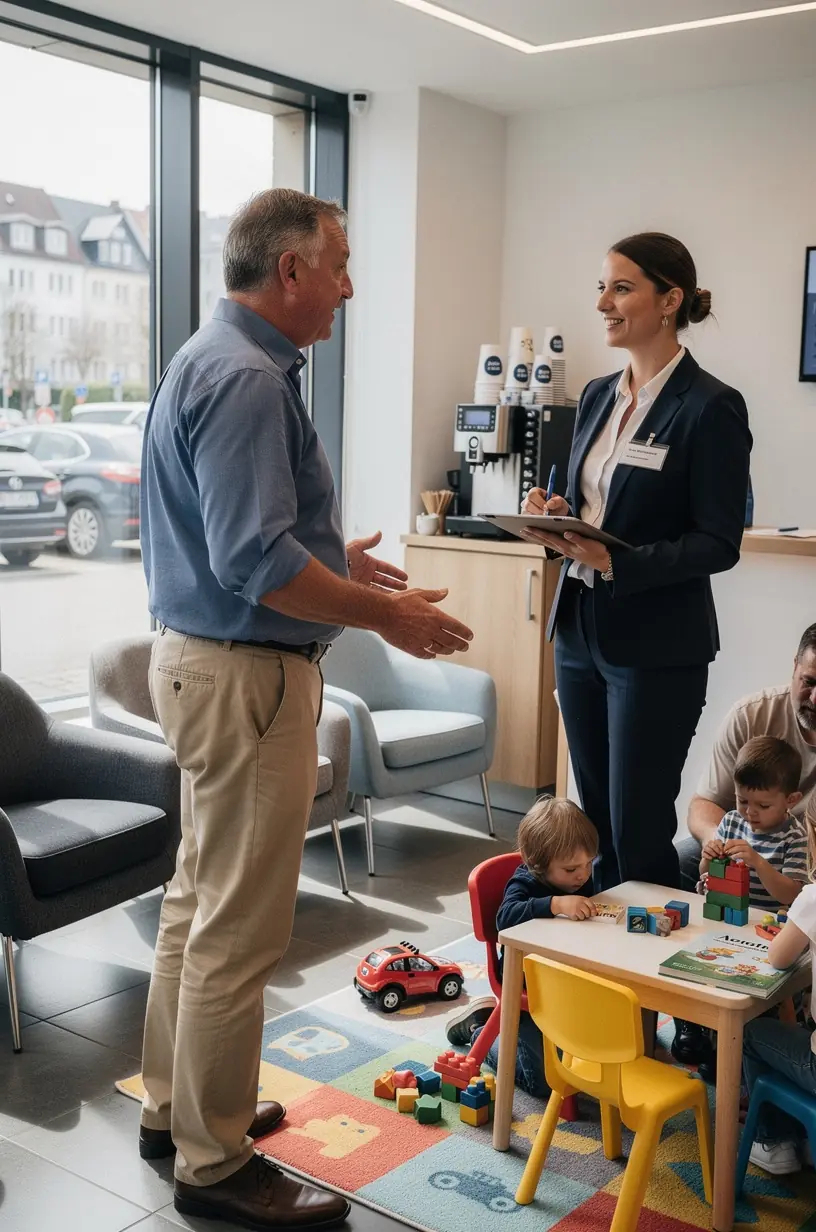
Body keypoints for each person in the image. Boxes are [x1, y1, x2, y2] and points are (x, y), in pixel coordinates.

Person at [138, 188, 473, 1230]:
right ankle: (215, 1162)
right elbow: (252, 560)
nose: (349, 284)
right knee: (238, 927)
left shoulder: (212, 358)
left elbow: (248, 536)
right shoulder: (244, 377)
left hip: (206, 662)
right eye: (337, 263)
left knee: (199, 904)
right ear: (288, 269)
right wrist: (382, 612)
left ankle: (179, 1107)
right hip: (244, 676)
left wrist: (338, 563)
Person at [521, 232, 751, 892]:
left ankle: (648, 988)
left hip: (655, 643)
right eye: (602, 286)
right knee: (590, 828)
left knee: (636, 826)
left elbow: (718, 541)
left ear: (670, 299)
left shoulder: (710, 407)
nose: (603, 303)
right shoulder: (597, 395)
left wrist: (620, 562)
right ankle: (598, 981)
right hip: (579, 627)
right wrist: (552, 511)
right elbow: (587, 503)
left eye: (621, 288)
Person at [444, 796, 598, 1097]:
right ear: (538, 864)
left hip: (568, 979)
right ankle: (479, 1029)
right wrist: (554, 904)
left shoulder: (579, 879)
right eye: (571, 869)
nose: (582, 875)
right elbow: (505, 917)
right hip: (527, 985)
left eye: (588, 864)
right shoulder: (526, 881)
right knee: (543, 1083)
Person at [678, 622, 816, 889]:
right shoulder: (752, 715)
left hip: (806, 855)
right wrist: (718, 845)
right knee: (677, 864)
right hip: (744, 840)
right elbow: (705, 803)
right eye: (809, 682)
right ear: (795, 666)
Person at [742, 797, 816, 1176]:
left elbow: (778, 958)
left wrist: (793, 925)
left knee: (751, 1030)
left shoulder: (813, 898)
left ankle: (774, 1142)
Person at [699, 736, 807, 909]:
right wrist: (708, 857)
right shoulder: (730, 822)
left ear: (791, 800)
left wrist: (758, 862)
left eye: (763, 805)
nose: (749, 812)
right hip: (726, 910)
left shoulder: (795, 837)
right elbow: (706, 872)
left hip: (768, 921)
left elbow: (790, 895)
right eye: (742, 801)